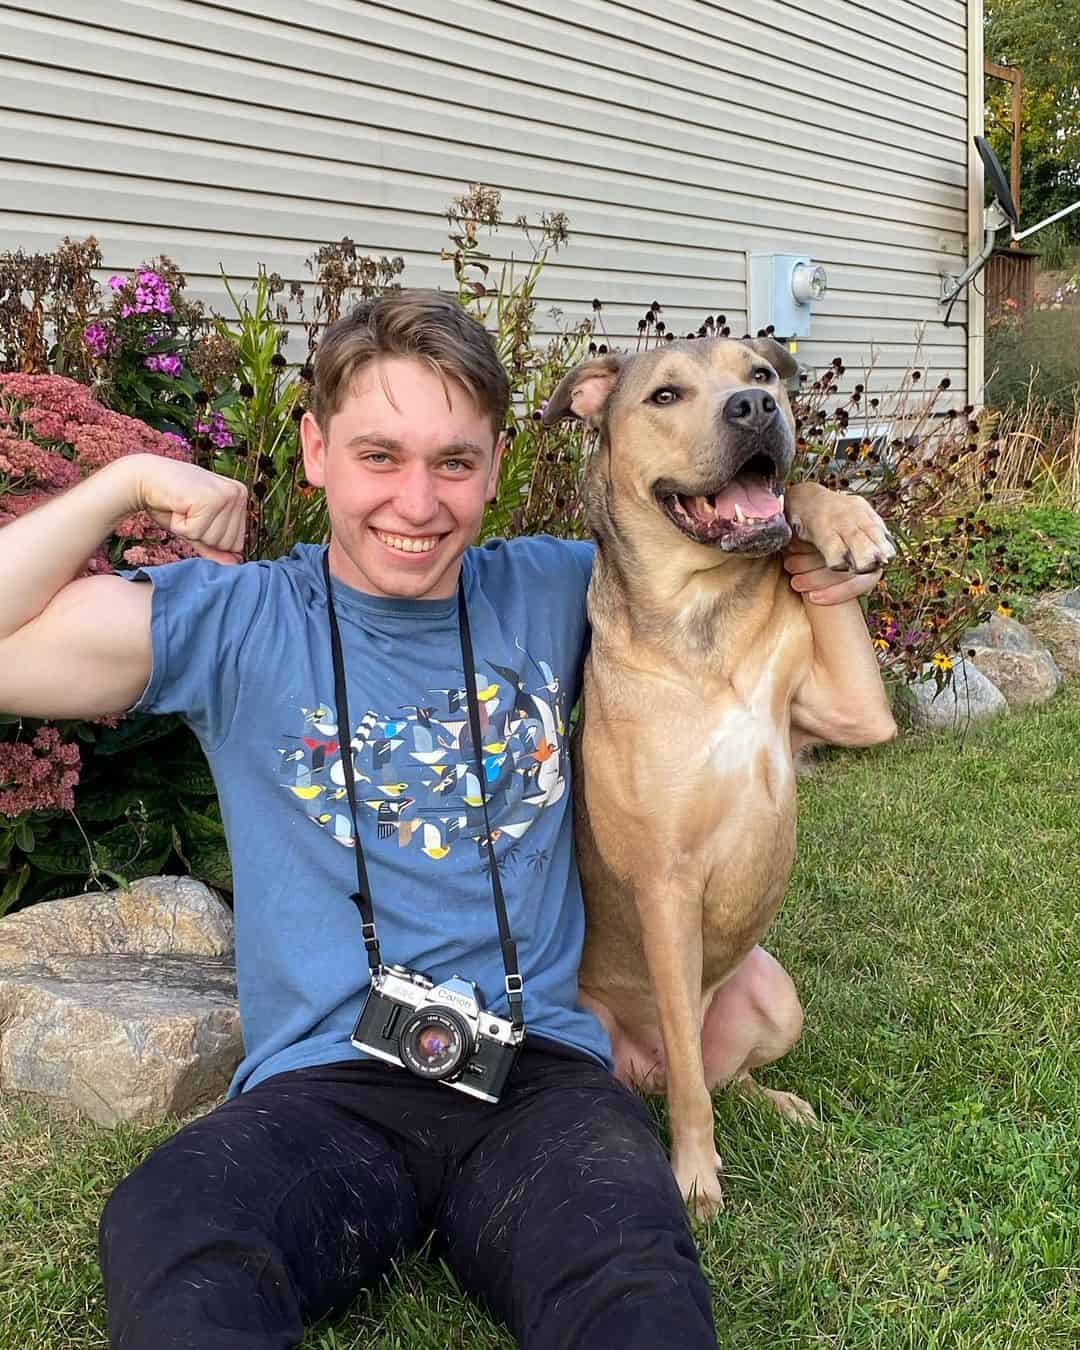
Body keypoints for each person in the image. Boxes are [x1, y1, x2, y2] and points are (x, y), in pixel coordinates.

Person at [0, 290, 880, 1348]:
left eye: (453, 463)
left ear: (497, 467)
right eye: (381, 456)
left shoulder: (568, 588)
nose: (417, 502)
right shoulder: (236, 622)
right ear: (316, 450)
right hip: (331, 1083)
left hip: (541, 1075)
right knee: (176, 1226)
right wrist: (124, 484)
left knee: (630, 1280)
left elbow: (752, 563)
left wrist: (819, 504)